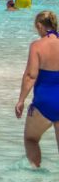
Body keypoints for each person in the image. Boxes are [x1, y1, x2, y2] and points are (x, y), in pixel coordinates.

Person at [15, 10, 59, 167]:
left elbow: (31, 76)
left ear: (40, 26)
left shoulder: (37, 46)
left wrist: (21, 101)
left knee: (31, 139)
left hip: (45, 102)